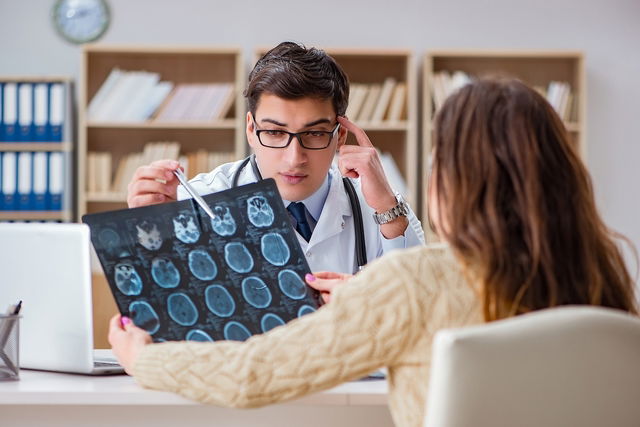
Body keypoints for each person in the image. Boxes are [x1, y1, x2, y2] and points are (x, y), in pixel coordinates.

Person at [110, 77, 638, 427]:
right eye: (275, 133)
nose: (294, 154)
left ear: (454, 180)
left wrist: (145, 359)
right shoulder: (605, 271)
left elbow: (253, 374)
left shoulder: (415, 280)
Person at [127, 41, 425, 274]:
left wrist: (388, 211)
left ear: (340, 137)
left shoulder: (382, 207)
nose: (294, 158)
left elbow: (422, 308)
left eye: (315, 133)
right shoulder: (201, 200)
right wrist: (153, 234)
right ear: (250, 129)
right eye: (274, 133)